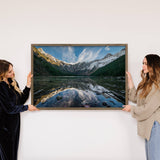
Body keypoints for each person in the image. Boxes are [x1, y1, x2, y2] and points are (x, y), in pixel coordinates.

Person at [122, 54, 160, 160]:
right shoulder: (147, 83)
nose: (143, 66)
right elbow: (136, 98)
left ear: (154, 65)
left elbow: (148, 108)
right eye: (143, 63)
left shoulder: (158, 85)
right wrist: (130, 80)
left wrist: (131, 109)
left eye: (146, 64)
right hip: (149, 126)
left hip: (155, 126)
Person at [0, 60, 39, 160]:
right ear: (2, 73)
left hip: (13, 125)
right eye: (9, 71)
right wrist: (27, 107)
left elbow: (20, 100)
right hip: (3, 127)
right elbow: (9, 108)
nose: (13, 73)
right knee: (6, 155)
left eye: (12, 70)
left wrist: (28, 84)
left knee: (12, 154)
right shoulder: (0, 87)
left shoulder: (12, 82)